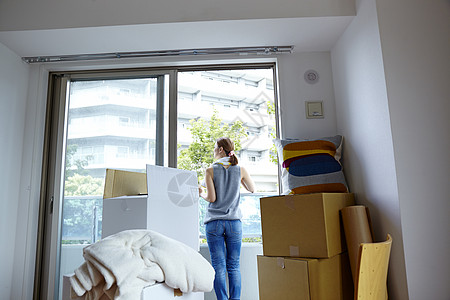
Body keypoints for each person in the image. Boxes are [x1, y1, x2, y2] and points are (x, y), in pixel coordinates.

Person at [199, 137, 255, 300]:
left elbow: (211, 198)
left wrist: (201, 193)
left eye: (215, 148)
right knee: (234, 266)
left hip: (214, 223)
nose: (214, 150)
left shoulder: (210, 170)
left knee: (219, 266)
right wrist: (239, 180)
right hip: (234, 223)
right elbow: (252, 189)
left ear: (221, 150)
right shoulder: (240, 169)